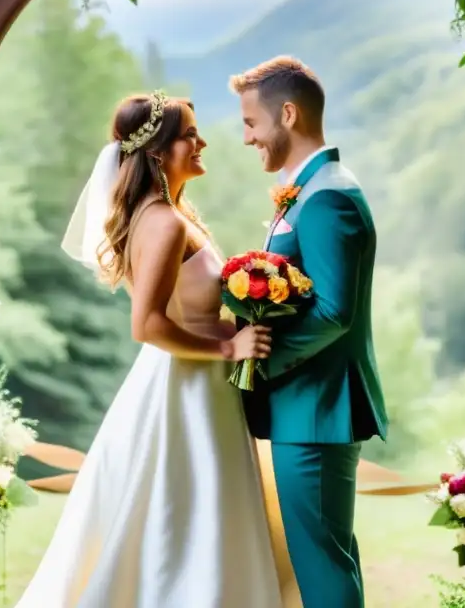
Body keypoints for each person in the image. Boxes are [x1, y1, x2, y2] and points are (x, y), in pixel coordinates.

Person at [16, 92, 284, 607]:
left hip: (193, 381)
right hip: (186, 388)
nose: (201, 142)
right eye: (189, 135)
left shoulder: (165, 213)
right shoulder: (162, 222)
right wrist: (229, 349)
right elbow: (148, 325)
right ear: (158, 152)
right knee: (188, 514)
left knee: (190, 513)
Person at [230, 56, 387, 608]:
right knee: (329, 557)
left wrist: (254, 364)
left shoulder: (329, 197)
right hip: (310, 406)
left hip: (318, 406)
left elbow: (334, 312)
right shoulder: (313, 187)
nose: (247, 137)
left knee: (321, 565)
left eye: (252, 123)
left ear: (288, 115)